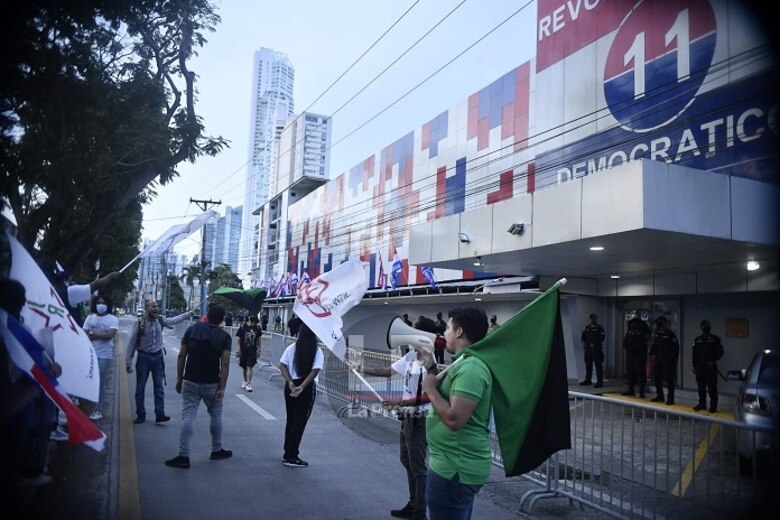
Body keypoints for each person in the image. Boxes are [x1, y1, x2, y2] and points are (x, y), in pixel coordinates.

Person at [353, 316, 439, 520]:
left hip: (419, 418)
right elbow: (387, 372)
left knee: (418, 468)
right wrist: (360, 367)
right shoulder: (411, 356)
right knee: (406, 460)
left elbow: (430, 394)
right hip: (408, 417)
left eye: (414, 331)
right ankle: (413, 503)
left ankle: (420, 512)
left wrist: (401, 403)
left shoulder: (430, 362)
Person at [421, 308, 490, 520]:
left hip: (454, 469)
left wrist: (430, 389)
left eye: (448, 328)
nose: (444, 333)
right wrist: (431, 368)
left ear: (459, 332)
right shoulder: (463, 362)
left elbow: (454, 419)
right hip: (451, 465)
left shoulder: (471, 368)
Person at [165, 304, 233, 469]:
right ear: (222, 319)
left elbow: (182, 355)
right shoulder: (224, 337)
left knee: (188, 416)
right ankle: (216, 449)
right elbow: (225, 364)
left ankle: (183, 455)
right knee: (216, 416)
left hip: (190, 380)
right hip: (212, 383)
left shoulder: (192, 330)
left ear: (207, 316)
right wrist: (222, 387)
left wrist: (179, 378)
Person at [125, 300, 192, 424]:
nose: (156, 308)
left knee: (159, 387)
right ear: (147, 309)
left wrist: (187, 314)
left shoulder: (160, 320)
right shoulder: (140, 322)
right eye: (153, 306)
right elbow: (132, 342)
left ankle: (160, 413)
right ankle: (141, 414)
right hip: (144, 357)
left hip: (158, 357)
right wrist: (128, 360)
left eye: (157, 306)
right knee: (140, 387)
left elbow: (173, 321)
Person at [278, 322, 323, 468]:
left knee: (291, 419)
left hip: (291, 386)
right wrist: (303, 386)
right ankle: (292, 455)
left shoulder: (292, 348)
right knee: (300, 421)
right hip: (306, 387)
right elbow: (315, 370)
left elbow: (282, 365)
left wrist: (290, 383)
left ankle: (287, 452)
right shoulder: (316, 350)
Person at [82, 294, 118, 420]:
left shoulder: (112, 319)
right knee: (88, 380)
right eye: (98, 303)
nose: (101, 305)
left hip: (104, 355)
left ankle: (98, 409)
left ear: (107, 305)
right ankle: (84, 406)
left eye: (103, 303)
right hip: (90, 353)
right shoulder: (90, 318)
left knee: (100, 381)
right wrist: (100, 334)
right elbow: (84, 334)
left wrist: (92, 333)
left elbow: (109, 335)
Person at [691, 320, 724, 413]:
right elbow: (694, 354)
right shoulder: (697, 340)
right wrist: (694, 366)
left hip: (710, 367)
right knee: (701, 388)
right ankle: (702, 404)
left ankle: (713, 406)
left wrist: (713, 360)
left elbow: (720, 352)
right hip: (700, 367)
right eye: (703, 326)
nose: (705, 328)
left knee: (712, 388)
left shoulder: (715, 339)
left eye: (706, 326)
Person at [649, 316, 679, 405]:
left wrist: (674, 360)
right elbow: (654, 345)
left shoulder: (670, 334)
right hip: (658, 358)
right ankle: (660, 395)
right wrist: (651, 354)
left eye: (660, 322)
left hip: (668, 358)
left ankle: (670, 398)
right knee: (657, 377)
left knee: (669, 379)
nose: (658, 325)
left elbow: (676, 347)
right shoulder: (657, 333)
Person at [621, 314, 651, 398]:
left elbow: (644, 342)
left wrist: (637, 348)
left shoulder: (642, 332)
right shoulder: (629, 332)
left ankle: (641, 392)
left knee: (640, 373)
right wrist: (627, 350)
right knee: (630, 372)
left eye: (633, 323)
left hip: (639, 356)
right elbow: (625, 342)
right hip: (630, 356)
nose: (632, 325)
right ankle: (631, 390)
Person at [580, 313, 605, 388]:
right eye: (591, 318)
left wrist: (595, 343)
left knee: (598, 365)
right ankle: (588, 379)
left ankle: (600, 381)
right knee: (588, 365)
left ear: (596, 319)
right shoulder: (586, 327)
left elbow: (602, 337)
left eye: (593, 318)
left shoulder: (600, 328)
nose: (592, 320)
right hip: (588, 349)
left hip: (596, 350)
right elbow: (583, 336)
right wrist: (583, 342)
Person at [236, 315, 261, 391]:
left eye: (254, 322)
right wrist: (238, 349)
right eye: (252, 322)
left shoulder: (257, 328)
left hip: (252, 350)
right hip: (243, 350)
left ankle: (248, 384)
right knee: (244, 367)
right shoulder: (242, 327)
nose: (253, 323)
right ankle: (245, 380)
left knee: (249, 366)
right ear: (249, 320)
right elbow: (238, 339)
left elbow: (259, 339)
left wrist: (259, 349)